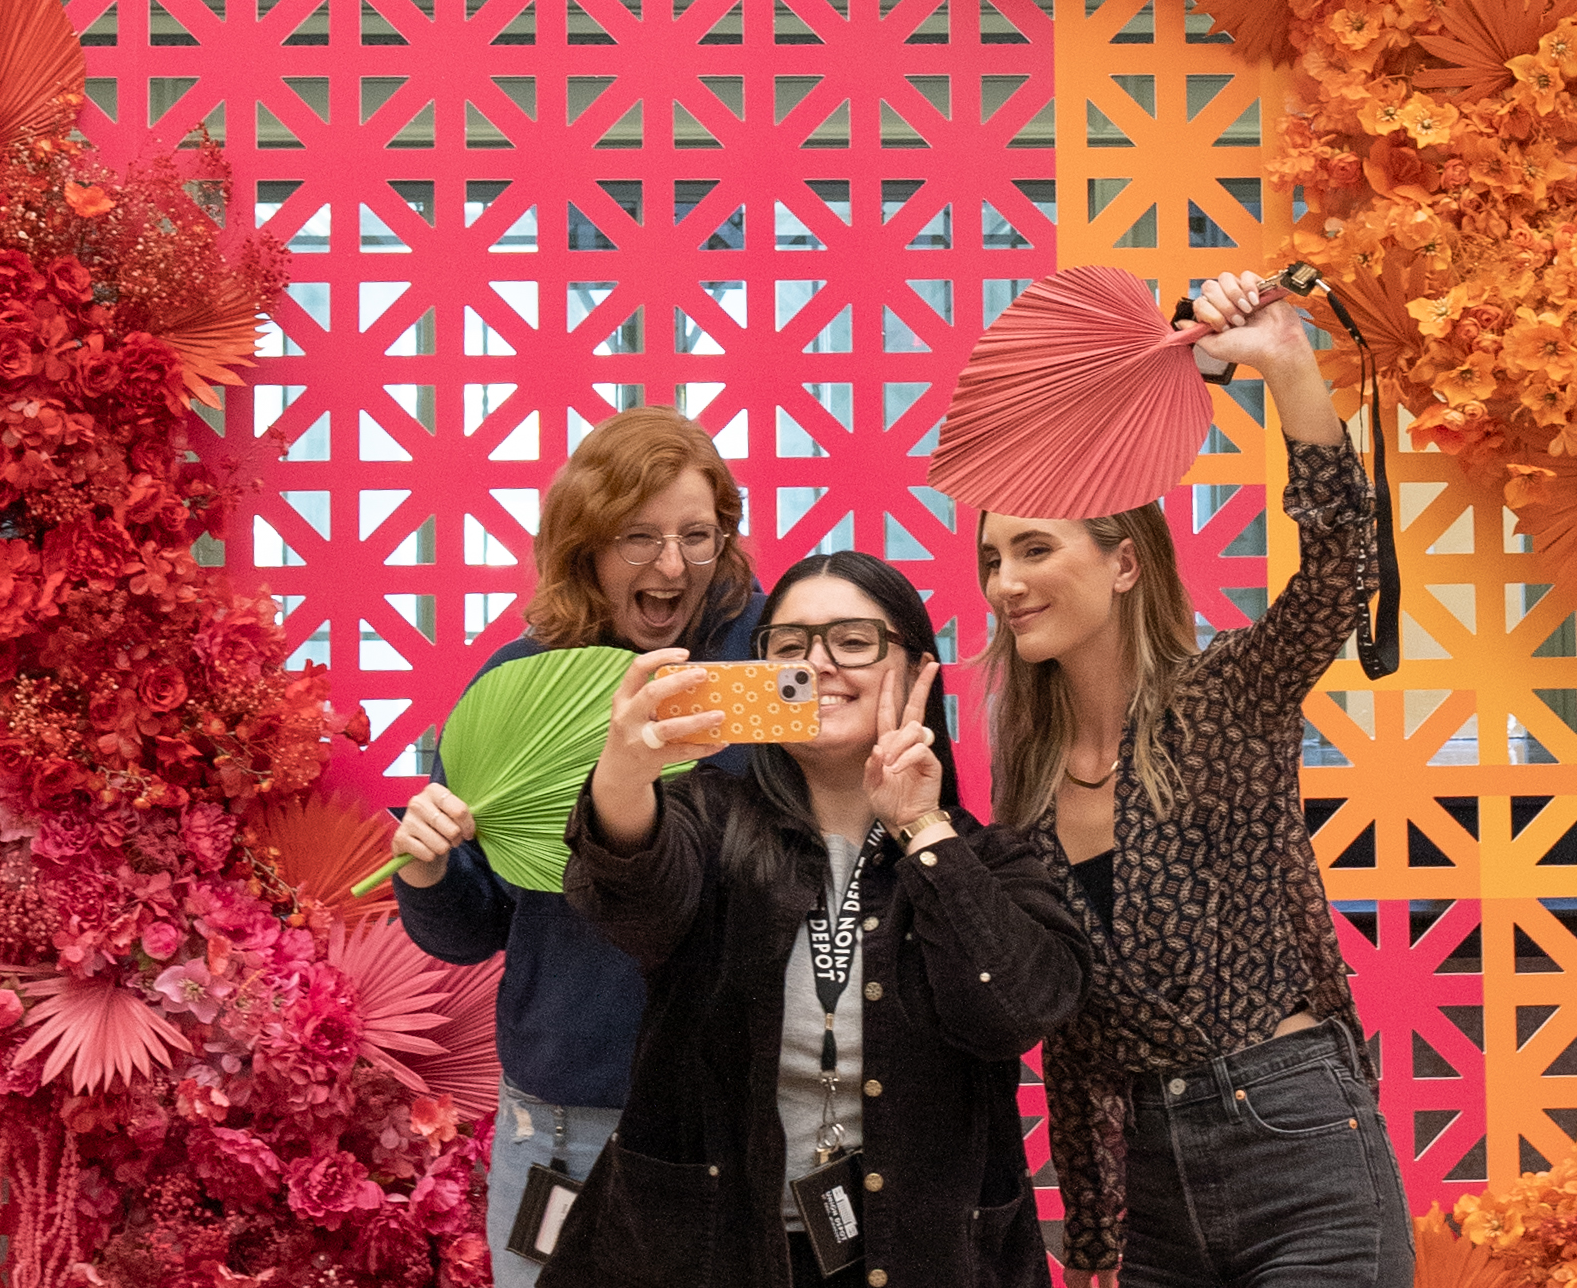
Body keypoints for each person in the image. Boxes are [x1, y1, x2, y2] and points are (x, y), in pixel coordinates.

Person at [975, 269, 1411, 1288]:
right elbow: (1077, 1048)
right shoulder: (1026, 790)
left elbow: (1340, 565)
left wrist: (1287, 365)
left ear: (1123, 562)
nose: (1006, 582)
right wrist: (1092, 1246)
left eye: (1034, 548)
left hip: (1295, 1136)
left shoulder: (1223, 696)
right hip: (1152, 1194)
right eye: (992, 557)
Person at [545, 550, 1087, 1288]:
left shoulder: (983, 857)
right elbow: (633, 904)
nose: (819, 664)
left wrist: (923, 829)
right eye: (790, 647)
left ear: (918, 670)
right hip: (711, 1252)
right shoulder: (708, 819)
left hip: (924, 1255)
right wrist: (623, 775)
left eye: (854, 642)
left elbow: (1015, 1011)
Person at [390, 406, 765, 1286]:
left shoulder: (754, 682)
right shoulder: (516, 686)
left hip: (731, 1110)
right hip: (563, 1118)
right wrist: (428, 864)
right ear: (586, 545)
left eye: (697, 536)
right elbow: (470, 929)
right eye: (639, 537)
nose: (672, 566)